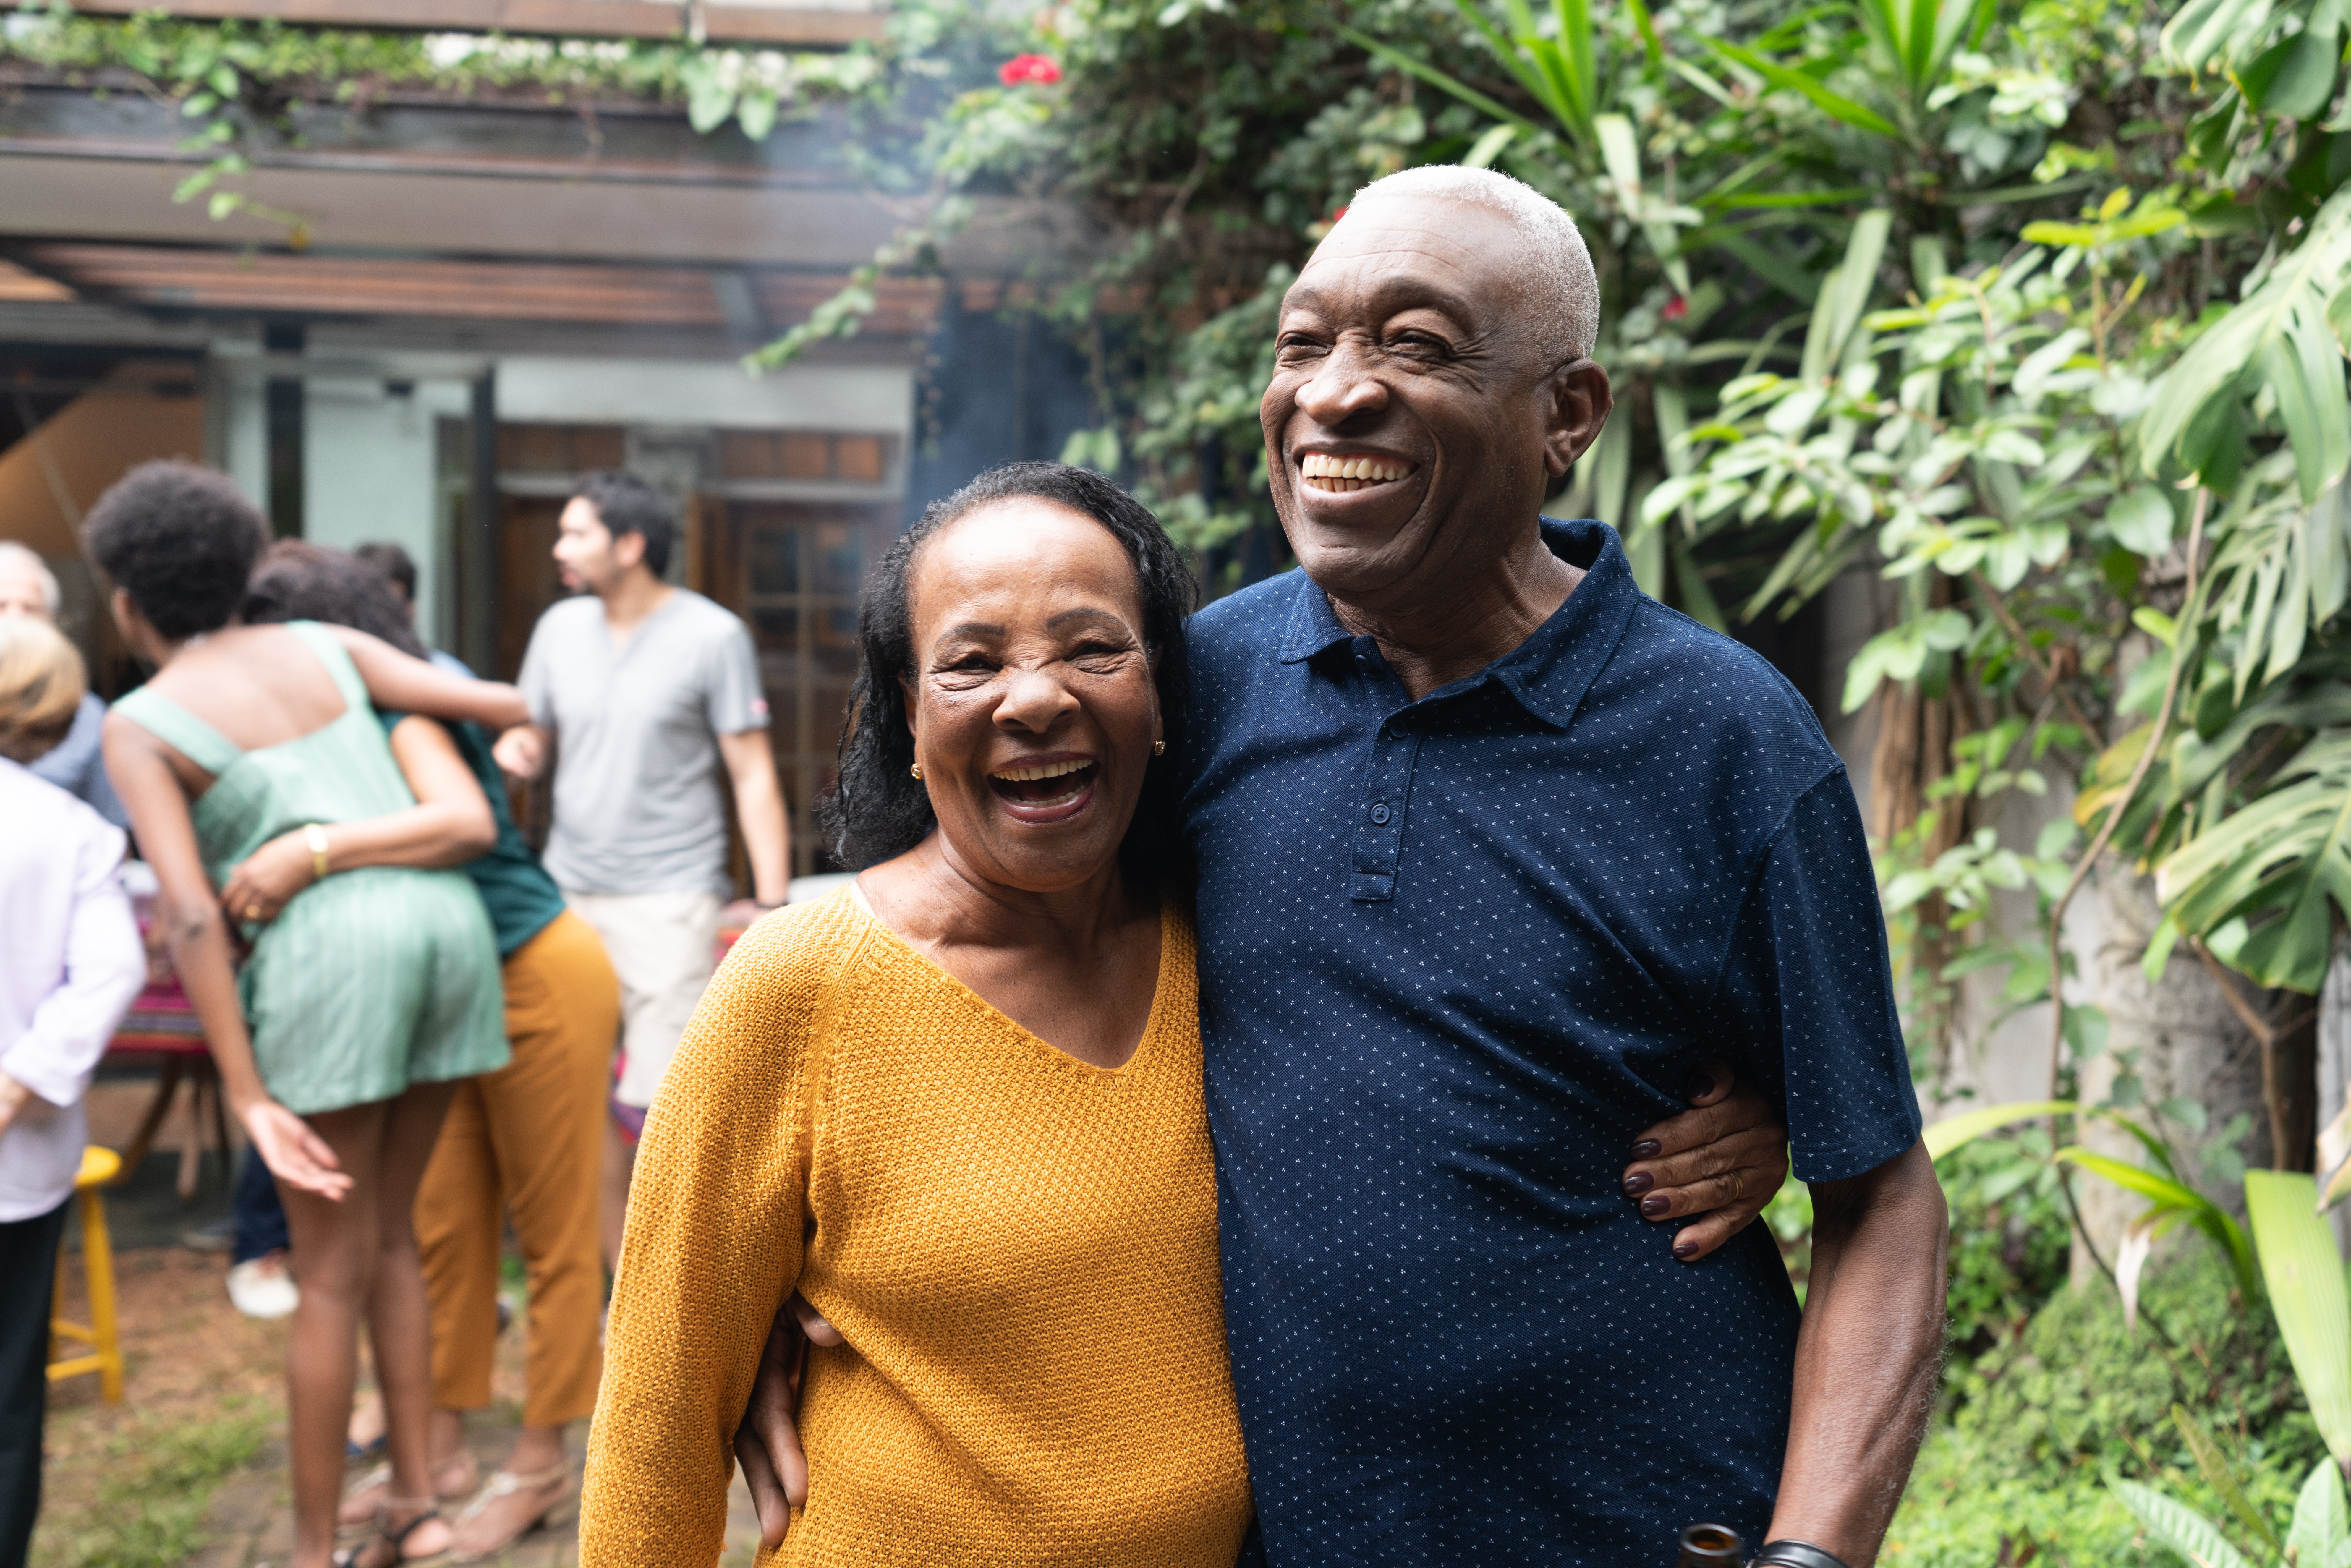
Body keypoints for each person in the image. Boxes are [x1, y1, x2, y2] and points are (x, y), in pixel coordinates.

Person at [742, 166, 1948, 1568]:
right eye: (1304, 341)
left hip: (1658, 1516)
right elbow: (983, 957)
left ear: (1567, 415)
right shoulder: (1196, 691)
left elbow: (1882, 1191)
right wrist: (816, 1271)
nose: (1334, 392)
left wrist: (1813, 1550)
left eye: (1417, 345)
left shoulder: (1723, 738)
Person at [576, 464, 1789, 1567]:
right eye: (971, 662)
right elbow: (660, 1411)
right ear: (906, 712)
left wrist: (1752, 1108)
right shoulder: (801, 987)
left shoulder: (1230, 935)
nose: (1033, 699)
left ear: (1164, 692)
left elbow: (1467, 1053)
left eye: (1090, 648)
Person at [90, 462, 524, 1568]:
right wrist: (502, 735)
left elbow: (190, 913)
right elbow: (498, 705)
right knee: (390, 1237)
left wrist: (247, 1093)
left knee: (325, 1266)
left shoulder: (141, 722)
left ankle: (306, 1543)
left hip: (337, 949)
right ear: (243, 567)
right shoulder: (330, 648)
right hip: (447, 931)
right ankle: (420, 1501)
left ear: (129, 601)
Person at [238, 542, 622, 1561]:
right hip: (440, 994)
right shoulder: (340, 718)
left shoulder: (408, 708)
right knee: (438, 1233)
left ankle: (542, 1462)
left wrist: (311, 852)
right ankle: (437, 1453)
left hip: (536, 967)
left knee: (553, 1233)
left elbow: (455, 820)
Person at [491, 471, 789, 1272]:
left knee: (659, 1111)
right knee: (576, 1098)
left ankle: (672, 1290)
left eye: (575, 533)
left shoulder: (712, 636)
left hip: (670, 900)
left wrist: (769, 900)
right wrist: (518, 751)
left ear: (629, 545)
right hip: (567, 894)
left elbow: (753, 773)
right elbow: (533, 732)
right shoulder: (558, 629)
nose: (559, 548)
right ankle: (612, 1295)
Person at [0, 616, 145, 1568]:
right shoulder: (70, 830)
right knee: (10, 1397)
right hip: (19, 1163)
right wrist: (19, 1082)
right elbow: (113, 969)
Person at [0, 540, 125, 825]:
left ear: (51, 620)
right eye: (1, 605)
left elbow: (112, 836)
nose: (16, 618)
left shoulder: (89, 718)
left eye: (31, 608)